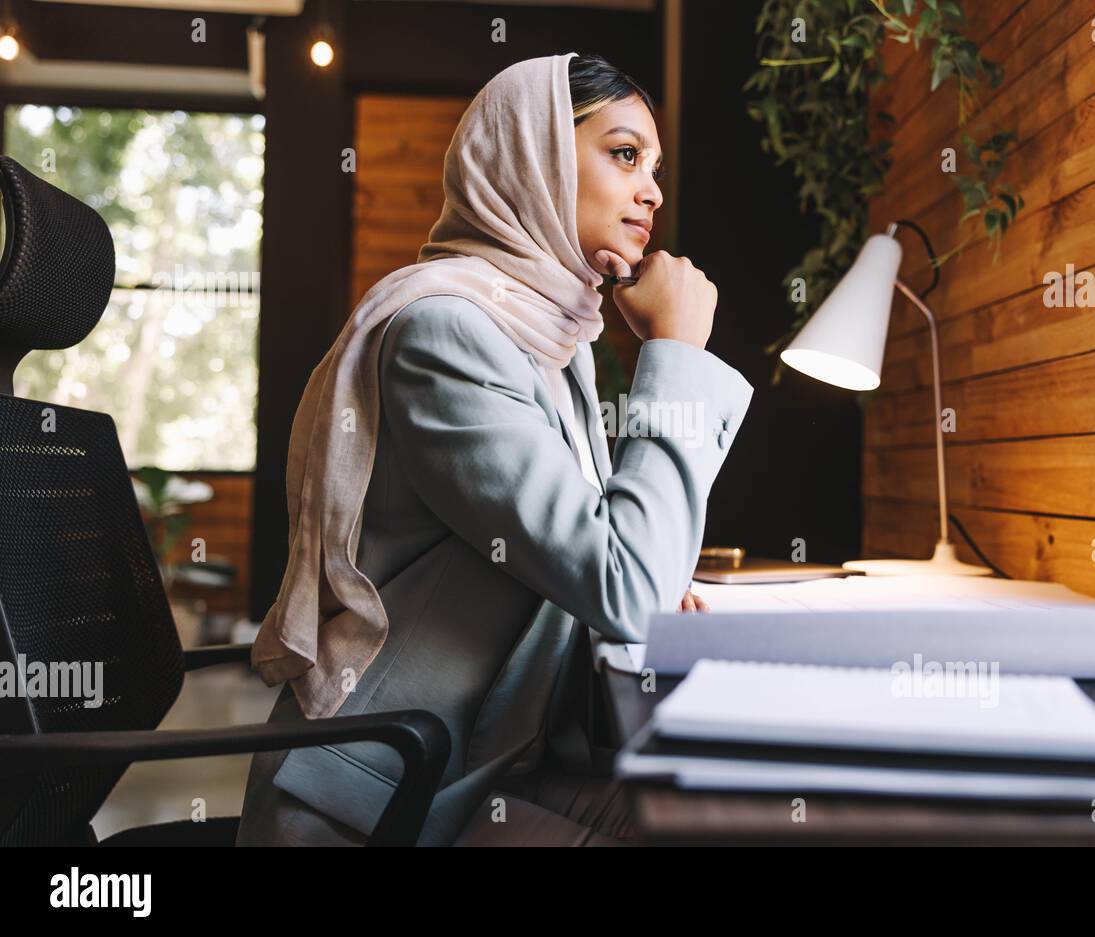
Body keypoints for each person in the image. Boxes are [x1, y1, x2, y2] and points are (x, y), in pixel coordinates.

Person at [235, 52, 752, 846]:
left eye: (654, 166)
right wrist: (675, 353)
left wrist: (638, 577)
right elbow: (628, 585)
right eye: (623, 155)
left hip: (489, 765)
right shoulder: (446, 333)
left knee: (747, 814)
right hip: (383, 804)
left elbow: (606, 563)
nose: (651, 188)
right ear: (535, 156)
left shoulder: (556, 341)